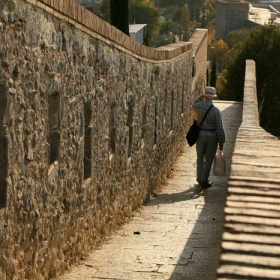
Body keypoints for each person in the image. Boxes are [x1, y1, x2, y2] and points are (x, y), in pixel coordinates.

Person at [192, 86, 225, 189]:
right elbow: (219, 128)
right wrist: (221, 142)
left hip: (200, 134)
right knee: (209, 159)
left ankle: (199, 177)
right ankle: (204, 180)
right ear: (213, 98)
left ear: (205, 96)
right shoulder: (216, 111)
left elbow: (193, 104)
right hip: (212, 136)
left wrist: (202, 96)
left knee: (200, 157)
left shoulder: (198, 106)